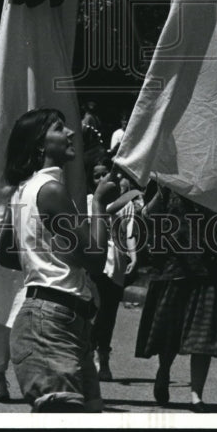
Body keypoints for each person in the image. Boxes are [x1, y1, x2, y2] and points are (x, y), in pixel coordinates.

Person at [4, 107, 118, 412]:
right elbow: (95, 259)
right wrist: (101, 205)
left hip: (59, 320)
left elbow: (8, 254)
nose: (70, 133)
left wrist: (50, 255)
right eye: (59, 128)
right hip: (52, 323)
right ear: (40, 144)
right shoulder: (51, 190)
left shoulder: (22, 191)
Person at [134, 184, 217, 412]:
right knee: (170, 331)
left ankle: (197, 396)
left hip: (209, 269)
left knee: (203, 335)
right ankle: (164, 371)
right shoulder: (171, 186)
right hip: (173, 267)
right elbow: (147, 215)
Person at [87, 163, 139, 382]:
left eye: (104, 175)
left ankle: (104, 357)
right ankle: (89, 356)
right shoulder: (90, 201)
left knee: (109, 312)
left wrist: (133, 255)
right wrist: (133, 194)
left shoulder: (126, 206)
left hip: (115, 260)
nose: (101, 179)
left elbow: (129, 231)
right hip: (96, 260)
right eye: (96, 176)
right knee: (93, 312)